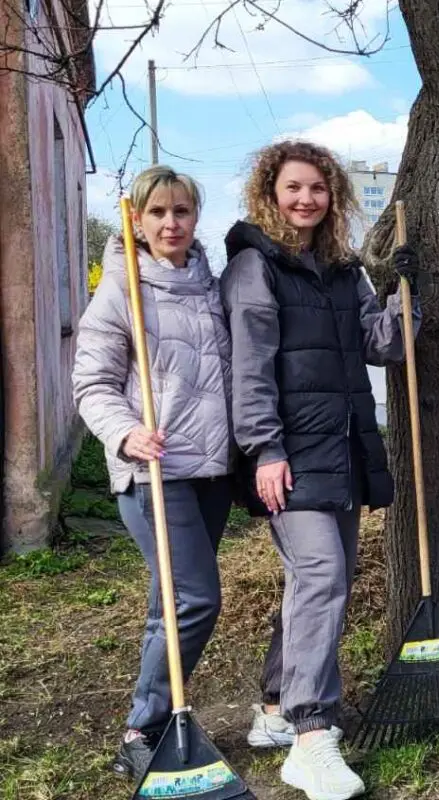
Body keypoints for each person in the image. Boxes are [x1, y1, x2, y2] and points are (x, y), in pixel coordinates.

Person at [221, 140, 420, 800]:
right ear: (270, 192)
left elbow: (378, 343)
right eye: (293, 187)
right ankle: (311, 734)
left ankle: (277, 709)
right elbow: (248, 369)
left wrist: (400, 294)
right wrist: (264, 450)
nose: (306, 199)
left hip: (341, 447)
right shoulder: (255, 266)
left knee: (310, 583)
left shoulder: (340, 268)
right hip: (290, 453)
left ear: (332, 196)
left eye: (317, 189)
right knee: (323, 577)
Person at [72, 166, 234, 782]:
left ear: (196, 219)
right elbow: (91, 383)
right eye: (158, 212)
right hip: (153, 472)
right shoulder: (121, 290)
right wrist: (124, 432)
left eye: (182, 212)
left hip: (211, 469)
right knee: (196, 598)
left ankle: (152, 721)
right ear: (136, 221)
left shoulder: (209, 285)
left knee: (167, 605)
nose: (171, 223)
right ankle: (144, 724)